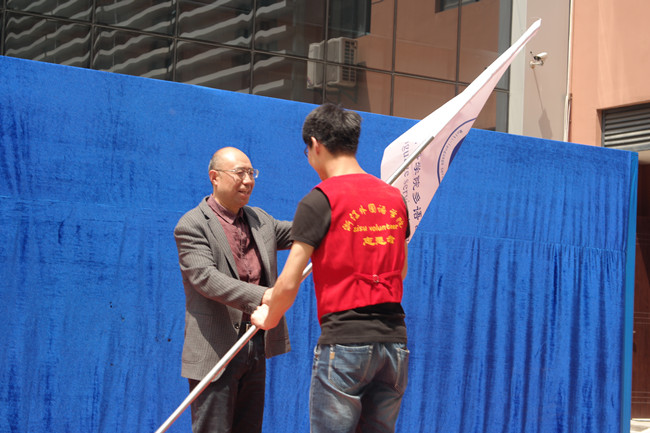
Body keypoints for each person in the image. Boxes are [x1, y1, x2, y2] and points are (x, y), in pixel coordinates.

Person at [251, 103, 410, 433]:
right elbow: (401, 271)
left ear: (315, 144)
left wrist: (270, 316)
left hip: (346, 342)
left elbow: (289, 281)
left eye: (307, 152)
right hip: (394, 344)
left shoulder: (320, 199)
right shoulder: (395, 198)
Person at [173, 147, 292, 433]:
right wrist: (263, 296)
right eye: (240, 173)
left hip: (255, 343)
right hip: (215, 350)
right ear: (214, 177)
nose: (248, 181)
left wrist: (336, 210)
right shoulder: (192, 225)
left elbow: (302, 232)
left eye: (251, 173)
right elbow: (206, 278)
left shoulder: (260, 220)